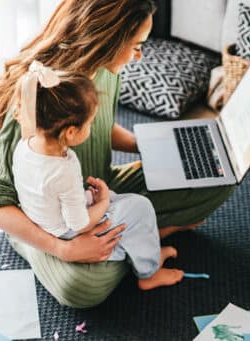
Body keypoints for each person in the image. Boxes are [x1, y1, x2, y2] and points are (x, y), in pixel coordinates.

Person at [0, 0, 236, 308]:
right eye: (136, 45)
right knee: (82, 288)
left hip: (96, 193)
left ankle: (139, 240)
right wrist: (64, 251)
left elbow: (101, 126)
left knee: (220, 171)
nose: (139, 56)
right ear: (110, 37)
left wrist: (152, 145)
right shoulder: (44, 93)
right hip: (48, 219)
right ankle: (147, 240)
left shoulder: (107, 68)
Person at [10, 61, 182, 291]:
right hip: (67, 231)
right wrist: (103, 203)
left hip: (41, 217)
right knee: (140, 207)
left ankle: (139, 243)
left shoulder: (25, 143)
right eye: (90, 123)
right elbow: (79, 224)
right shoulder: (64, 168)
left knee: (115, 199)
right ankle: (149, 272)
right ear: (70, 132)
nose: (92, 128)